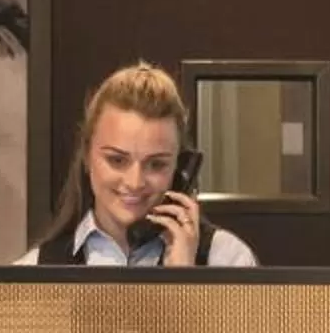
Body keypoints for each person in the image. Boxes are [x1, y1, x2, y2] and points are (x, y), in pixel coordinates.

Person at [18, 62, 257, 267]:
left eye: (156, 164)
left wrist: (185, 284)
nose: (135, 182)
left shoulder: (226, 259)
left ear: (180, 170)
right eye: (117, 160)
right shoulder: (34, 270)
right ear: (87, 157)